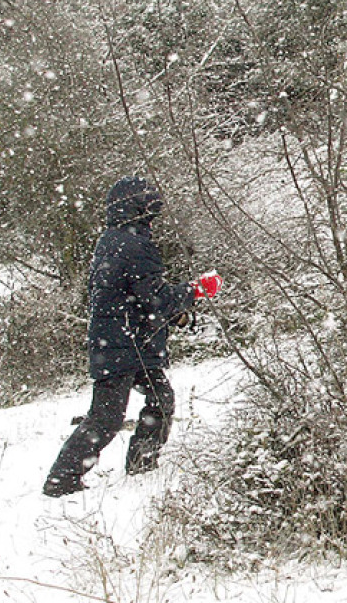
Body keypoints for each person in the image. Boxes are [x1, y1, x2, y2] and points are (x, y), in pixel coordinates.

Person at [42, 176, 223, 498]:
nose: (155, 216)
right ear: (139, 210)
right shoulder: (135, 246)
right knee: (107, 418)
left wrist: (173, 313)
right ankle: (62, 481)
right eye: (151, 209)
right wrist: (196, 290)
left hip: (123, 341)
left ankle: (141, 465)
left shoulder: (112, 241)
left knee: (160, 399)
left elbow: (133, 295)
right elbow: (155, 298)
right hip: (124, 344)